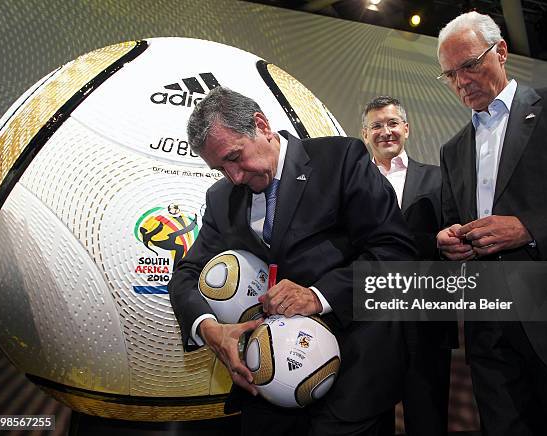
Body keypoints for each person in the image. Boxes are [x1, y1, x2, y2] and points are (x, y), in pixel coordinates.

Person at [168, 86, 417, 435]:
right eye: (221, 168)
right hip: (264, 389)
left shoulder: (341, 159)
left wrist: (317, 295)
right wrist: (210, 329)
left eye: (236, 157)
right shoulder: (222, 197)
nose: (235, 176)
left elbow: (395, 253)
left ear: (261, 125)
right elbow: (186, 276)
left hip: (351, 380)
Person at [436, 11, 547, 436]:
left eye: (470, 65)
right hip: (488, 325)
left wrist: (527, 227)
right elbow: (455, 220)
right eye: (451, 75)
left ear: (501, 52)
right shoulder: (452, 149)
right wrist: (449, 239)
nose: (461, 82)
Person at [361, 96, 457, 436]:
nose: (385, 131)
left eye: (392, 123)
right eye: (376, 125)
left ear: (406, 128)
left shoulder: (439, 179)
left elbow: (453, 241)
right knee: (371, 418)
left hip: (425, 318)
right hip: (368, 320)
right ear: (365, 134)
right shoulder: (352, 185)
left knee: (428, 417)